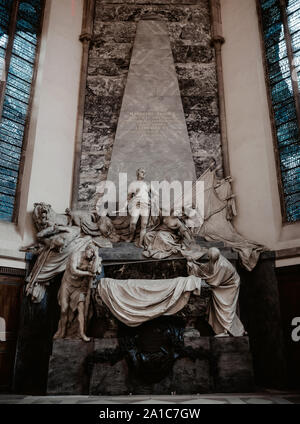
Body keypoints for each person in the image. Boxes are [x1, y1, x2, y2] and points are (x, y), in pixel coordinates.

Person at [187, 247, 246, 337]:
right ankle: (232, 330)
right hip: (223, 285)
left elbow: (215, 282)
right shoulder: (216, 260)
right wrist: (196, 265)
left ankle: (226, 331)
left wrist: (199, 277)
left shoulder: (222, 265)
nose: (210, 259)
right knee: (220, 309)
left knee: (226, 310)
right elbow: (209, 269)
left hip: (229, 287)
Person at [54, 244, 101, 342]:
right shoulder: (75, 255)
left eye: (93, 253)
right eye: (91, 252)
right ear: (87, 249)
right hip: (67, 284)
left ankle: (82, 333)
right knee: (64, 309)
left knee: (81, 309)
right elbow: (73, 270)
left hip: (79, 288)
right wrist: (88, 273)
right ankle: (62, 331)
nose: (91, 254)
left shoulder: (91, 260)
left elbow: (95, 270)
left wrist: (96, 256)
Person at [127, 168, 151, 247]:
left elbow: (153, 195)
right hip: (136, 204)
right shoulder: (133, 184)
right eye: (142, 172)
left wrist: (151, 200)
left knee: (144, 225)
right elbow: (129, 198)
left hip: (145, 205)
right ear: (137, 173)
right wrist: (134, 198)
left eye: (145, 172)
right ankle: (131, 237)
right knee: (133, 223)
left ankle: (140, 243)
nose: (144, 173)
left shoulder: (147, 184)